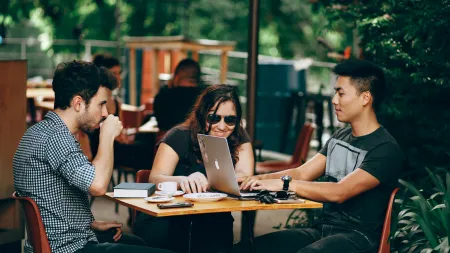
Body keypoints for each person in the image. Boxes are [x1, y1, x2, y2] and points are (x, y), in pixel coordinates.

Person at [234, 59, 403, 253]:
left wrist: (284, 184)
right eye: (335, 92)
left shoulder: (384, 148)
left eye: (341, 93)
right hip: (322, 230)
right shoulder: (341, 136)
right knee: (248, 249)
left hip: (360, 238)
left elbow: (339, 192)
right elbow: (302, 173)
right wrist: (255, 180)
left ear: (365, 98)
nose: (334, 100)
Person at [13, 60, 173, 253]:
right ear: (78, 103)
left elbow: (50, 200)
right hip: (68, 248)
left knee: (138, 242)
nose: (105, 113)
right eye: (101, 104)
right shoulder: (57, 138)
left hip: (62, 240)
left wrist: (89, 224)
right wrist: (107, 136)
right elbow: (97, 185)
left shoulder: (40, 132)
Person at [134, 84, 254, 253]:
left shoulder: (238, 136)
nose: (221, 126)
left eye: (230, 119)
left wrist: (215, 179)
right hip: (170, 216)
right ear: (202, 114)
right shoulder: (179, 135)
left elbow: (244, 175)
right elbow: (155, 178)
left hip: (213, 217)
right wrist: (184, 180)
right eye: (214, 118)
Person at [153, 58, 205, 132]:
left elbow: (161, 124)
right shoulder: (205, 97)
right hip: (196, 140)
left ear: (176, 77)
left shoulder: (163, 96)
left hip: (167, 140)